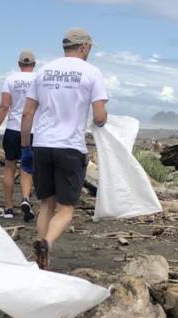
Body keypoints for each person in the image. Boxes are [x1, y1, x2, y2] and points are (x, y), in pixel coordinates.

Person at [20, 28, 108, 269]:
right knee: (66, 209)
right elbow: (99, 116)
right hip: (70, 146)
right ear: (84, 47)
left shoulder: (44, 71)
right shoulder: (92, 73)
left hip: (42, 145)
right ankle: (47, 243)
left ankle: (41, 256)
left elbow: (28, 112)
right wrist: (103, 122)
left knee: (46, 204)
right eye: (89, 48)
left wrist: (26, 147)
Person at [0, 50, 37, 221]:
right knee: (27, 167)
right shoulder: (38, 79)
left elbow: (4, 106)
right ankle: (25, 198)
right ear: (34, 64)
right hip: (32, 130)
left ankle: (9, 209)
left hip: (12, 129)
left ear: (19, 64)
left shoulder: (10, 79)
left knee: (9, 167)